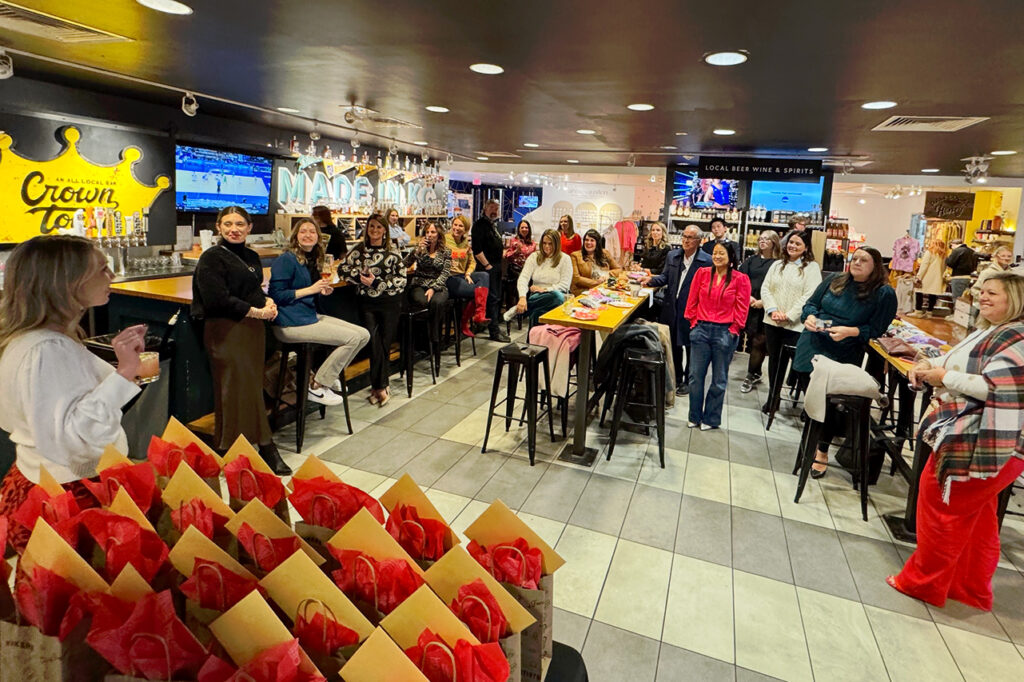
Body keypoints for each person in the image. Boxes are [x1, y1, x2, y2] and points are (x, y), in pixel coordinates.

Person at [889, 272, 1024, 610]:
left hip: (985, 443)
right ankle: (970, 589)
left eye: (992, 293)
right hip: (984, 442)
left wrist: (943, 377)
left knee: (941, 508)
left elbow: (996, 388)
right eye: (982, 291)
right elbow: (957, 361)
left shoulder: (1016, 339)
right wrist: (926, 366)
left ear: (1016, 300)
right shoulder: (991, 330)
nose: (982, 297)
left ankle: (923, 583)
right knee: (978, 520)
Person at [0, 236, 146, 548]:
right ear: (66, 283)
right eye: (102, 269)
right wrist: (123, 373)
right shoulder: (47, 349)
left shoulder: (28, 339)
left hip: (39, 478)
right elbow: (73, 439)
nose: (112, 276)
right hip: (66, 493)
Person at [192, 207, 290, 474]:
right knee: (232, 390)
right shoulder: (211, 258)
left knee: (249, 389)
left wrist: (267, 301)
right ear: (218, 227)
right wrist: (258, 311)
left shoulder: (251, 255)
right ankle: (264, 447)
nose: (233, 229)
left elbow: (253, 289)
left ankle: (229, 450)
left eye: (239, 224)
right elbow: (217, 300)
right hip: (225, 331)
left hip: (252, 331)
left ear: (249, 227)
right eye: (227, 224)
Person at [795, 247, 897, 477]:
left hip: (843, 350)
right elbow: (810, 304)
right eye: (855, 258)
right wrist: (809, 317)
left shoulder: (883, 293)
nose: (857, 262)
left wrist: (852, 331)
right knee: (811, 395)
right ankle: (812, 438)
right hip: (812, 343)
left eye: (864, 260)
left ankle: (821, 449)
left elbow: (877, 329)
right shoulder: (834, 279)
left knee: (829, 402)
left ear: (876, 266)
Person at [268, 218, 369, 407]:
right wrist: (311, 290)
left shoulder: (311, 259)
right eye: (303, 231)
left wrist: (320, 290)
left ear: (318, 237)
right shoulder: (286, 259)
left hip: (307, 316)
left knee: (364, 335)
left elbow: (307, 291)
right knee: (352, 339)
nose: (308, 235)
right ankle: (317, 386)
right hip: (289, 323)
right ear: (295, 237)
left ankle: (327, 377)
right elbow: (276, 295)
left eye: (312, 232)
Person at [339, 213, 407, 407]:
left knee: (384, 345)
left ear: (385, 229)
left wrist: (377, 282)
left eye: (378, 227)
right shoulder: (358, 250)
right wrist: (357, 277)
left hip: (390, 303)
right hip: (366, 303)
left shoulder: (393, 252)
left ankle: (379, 386)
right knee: (374, 343)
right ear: (366, 229)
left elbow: (401, 280)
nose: (375, 231)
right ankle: (380, 386)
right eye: (371, 227)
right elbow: (342, 269)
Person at [684, 243, 751, 430]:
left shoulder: (740, 279)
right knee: (695, 376)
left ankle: (711, 419)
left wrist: (734, 330)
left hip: (725, 332)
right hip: (701, 329)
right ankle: (694, 415)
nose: (717, 256)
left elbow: (742, 307)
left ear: (731, 257)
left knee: (719, 379)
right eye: (715, 253)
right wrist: (693, 323)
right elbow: (692, 299)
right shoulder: (702, 273)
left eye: (721, 253)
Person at [643, 224, 713, 395]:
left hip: (693, 311)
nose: (686, 240)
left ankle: (690, 380)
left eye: (690, 238)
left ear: (699, 241)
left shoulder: (707, 261)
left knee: (691, 346)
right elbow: (665, 277)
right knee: (673, 345)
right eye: (684, 236)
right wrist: (650, 280)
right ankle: (677, 378)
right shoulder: (673, 256)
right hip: (671, 307)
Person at [760, 231, 822, 409]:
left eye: (798, 243)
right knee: (774, 362)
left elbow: (809, 296)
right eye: (791, 242)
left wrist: (788, 315)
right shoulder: (777, 264)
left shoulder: (811, 268)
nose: (792, 246)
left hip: (795, 326)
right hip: (772, 322)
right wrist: (772, 310)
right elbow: (766, 289)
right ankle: (773, 398)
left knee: (800, 366)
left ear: (806, 248)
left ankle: (809, 405)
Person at [737, 231, 782, 393]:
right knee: (753, 339)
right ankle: (756, 371)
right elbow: (741, 278)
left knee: (760, 341)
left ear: (774, 242)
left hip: (769, 307)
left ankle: (750, 374)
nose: (762, 242)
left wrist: (765, 302)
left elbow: (780, 286)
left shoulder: (779, 263)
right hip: (750, 305)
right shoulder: (751, 260)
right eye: (761, 239)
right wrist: (748, 297)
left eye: (767, 239)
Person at [404, 221, 451, 348]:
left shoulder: (446, 251)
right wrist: (417, 250)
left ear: (439, 234)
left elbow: (445, 273)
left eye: (433, 232)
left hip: (438, 284)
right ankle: (422, 339)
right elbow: (405, 264)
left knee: (437, 302)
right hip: (419, 283)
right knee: (423, 302)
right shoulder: (419, 248)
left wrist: (433, 288)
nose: (429, 235)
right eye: (427, 232)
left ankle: (434, 338)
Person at [471, 199, 511, 342]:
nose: (494, 211)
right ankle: (494, 331)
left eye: (496, 208)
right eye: (492, 208)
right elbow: (477, 249)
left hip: (496, 266)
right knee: (492, 299)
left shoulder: (493, 225)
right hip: (487, 269)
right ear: (485, 209)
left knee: (496, 298)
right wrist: (487, 266)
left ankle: (491, 326)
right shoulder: (479, 225)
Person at [516, 229, 574, 325]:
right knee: (539, 309)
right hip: (537, 297)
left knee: (557, 296)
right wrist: (522, 297)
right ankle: (533, 338)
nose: (547, 247)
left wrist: (544, 289)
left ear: (557, 244)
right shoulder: (534, 256)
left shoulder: (565, 259)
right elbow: (523, 278)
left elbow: (565, 285)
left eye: (550, 244)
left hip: (555, 297)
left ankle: (520, 310)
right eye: (544, 243)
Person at [446, 214, 490, 337]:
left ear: (465, 229)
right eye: (455, 225)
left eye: (461, 226)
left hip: (461, 276)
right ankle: (465, 322)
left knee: (484, 276)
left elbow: (472, 261)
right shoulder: (445, 239)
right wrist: (462, 253)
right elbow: (450, 254)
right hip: (449, 277)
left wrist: (468, 273)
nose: (457, 228)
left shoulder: (465, 242)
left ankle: (479, 314)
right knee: (478, 292)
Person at [570, 229, 622, 295]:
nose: (588, 243)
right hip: (584, 291)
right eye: (586, 240)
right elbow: (576, 279)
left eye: (592, 240)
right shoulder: (575, 256)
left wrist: (608, 274)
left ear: (597, 243)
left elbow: (619, 269)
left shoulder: (605, 253)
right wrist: (597, 283)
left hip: (604, 289)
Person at [503, 220, 537, 308]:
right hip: (515, 270)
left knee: (527, 290)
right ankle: (510, 313)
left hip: (528, 271)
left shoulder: (532, 243)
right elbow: (507, 256)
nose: (524, 229)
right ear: (519, 229)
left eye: (526, 227)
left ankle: (523, 312)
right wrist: (516, 251)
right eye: (522, 227)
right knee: (512, 292)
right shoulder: (513, 241)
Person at [910, 239, 946, 318]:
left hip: (926, 277)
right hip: (937, 278)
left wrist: (919, 276)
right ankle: (929, 312)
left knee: (919, 291)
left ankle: (918, 311)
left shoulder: (929, 252)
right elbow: (943, 267)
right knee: (932, 294)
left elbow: (924, 266)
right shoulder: (942, 255)